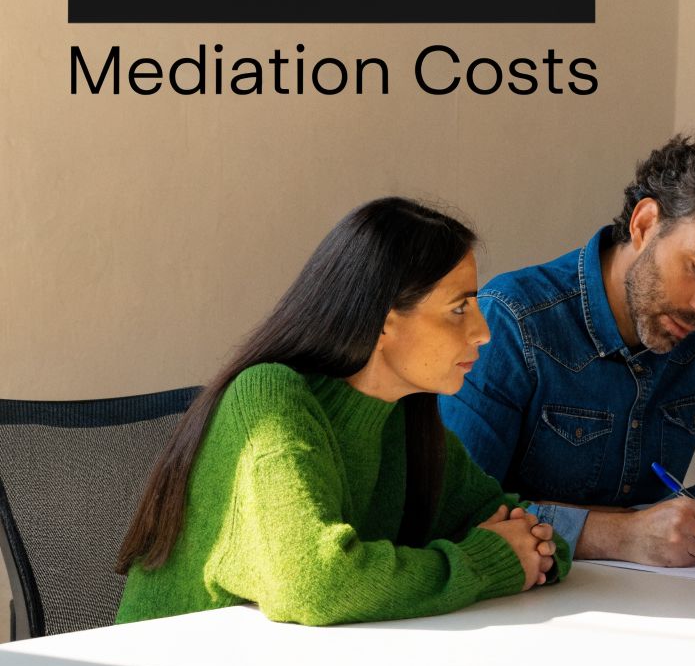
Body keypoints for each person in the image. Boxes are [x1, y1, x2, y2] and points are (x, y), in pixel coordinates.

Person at [116, 197, 567, 626]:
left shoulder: (404, 420)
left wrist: (530, 548)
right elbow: (316, 583)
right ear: (385, 319)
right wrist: (487, 563)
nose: (482, 332)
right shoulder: (269, 399)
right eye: (458, 308)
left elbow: (530, 536)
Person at [439, 134, 695, 567]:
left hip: (646, 603)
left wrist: (666, 521)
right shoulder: (512, 321)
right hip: (521, 609)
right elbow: (453, 514)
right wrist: (616, 534)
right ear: (645, 223)